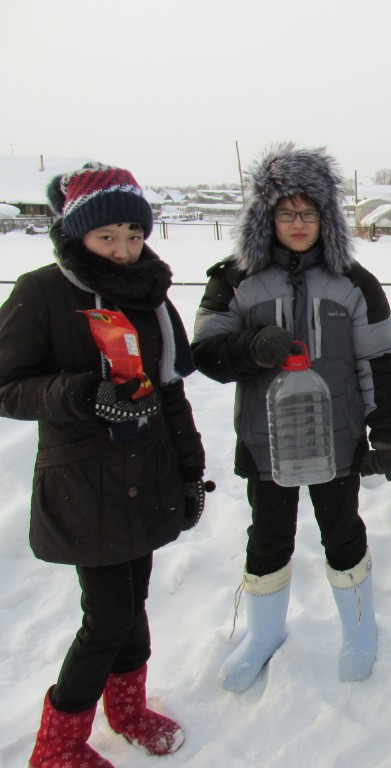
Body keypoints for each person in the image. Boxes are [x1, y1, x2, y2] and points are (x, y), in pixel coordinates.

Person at [0, 162, 207, 767]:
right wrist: (83, 393)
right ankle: (57, 746)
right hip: (84, 483)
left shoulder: (149, 297)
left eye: (134, 235)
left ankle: (128, 710)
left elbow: (170, 391)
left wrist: (190, 472)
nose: (123, 250)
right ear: (76, 233)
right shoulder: (42, 292)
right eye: (107, 236)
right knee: (108, 619)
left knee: (133, 605)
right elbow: (6, 386)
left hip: (148, 475)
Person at [191, 143, 391, 692]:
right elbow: (206, 353)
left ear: (326, 217)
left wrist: (385, 431)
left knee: (343, 533)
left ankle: (359, 630)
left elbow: (379, 359)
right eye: (286, 212)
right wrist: (252, 347)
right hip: (266, 440)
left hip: (337, 439)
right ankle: (264, 634)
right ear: (265, 216)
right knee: (267, 538)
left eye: (309, 212)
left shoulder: (354, 282)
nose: (298, 223)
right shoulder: (234, 280)